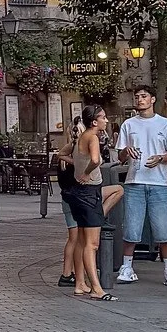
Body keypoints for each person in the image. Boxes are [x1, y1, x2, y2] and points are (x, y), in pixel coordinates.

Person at [115, 85, 167, 286]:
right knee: (131, 226)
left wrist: (161, 158)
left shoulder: (165, 124)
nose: (140, 100)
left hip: (159, 182)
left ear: (152, 99)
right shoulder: (128, 124)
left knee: (164, 228)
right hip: (134, 181)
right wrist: (126, 151)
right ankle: (127, 266)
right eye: (137, 97)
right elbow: (120, 156)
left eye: (144, 96)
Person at [62, 103, 112, 300]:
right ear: (94, 122)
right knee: (92, 244)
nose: (106, 120)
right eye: (103, 117)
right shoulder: (92, 137)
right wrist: (86, 172)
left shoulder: (80, 137)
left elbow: (62, 153)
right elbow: (96, 159)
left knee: (83, 241)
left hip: (79, 193)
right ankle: (96, 288)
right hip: (90, 191)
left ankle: (79, 284)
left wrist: (78, 167)